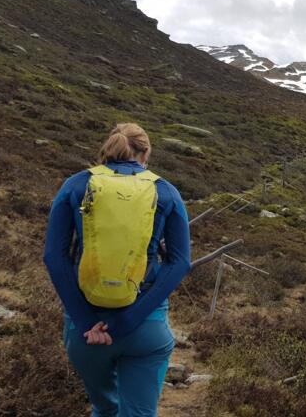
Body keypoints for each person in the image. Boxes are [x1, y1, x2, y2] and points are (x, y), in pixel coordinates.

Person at [43, 123, 191, 417]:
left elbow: (54, 257)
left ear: (107, 150)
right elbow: (179, 262)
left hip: (86, 332)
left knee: (105, 408)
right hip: (145, 327)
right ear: (145, 153)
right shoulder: (166, 191)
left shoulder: (76, 184)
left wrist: (86, 322)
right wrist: (129, 322)